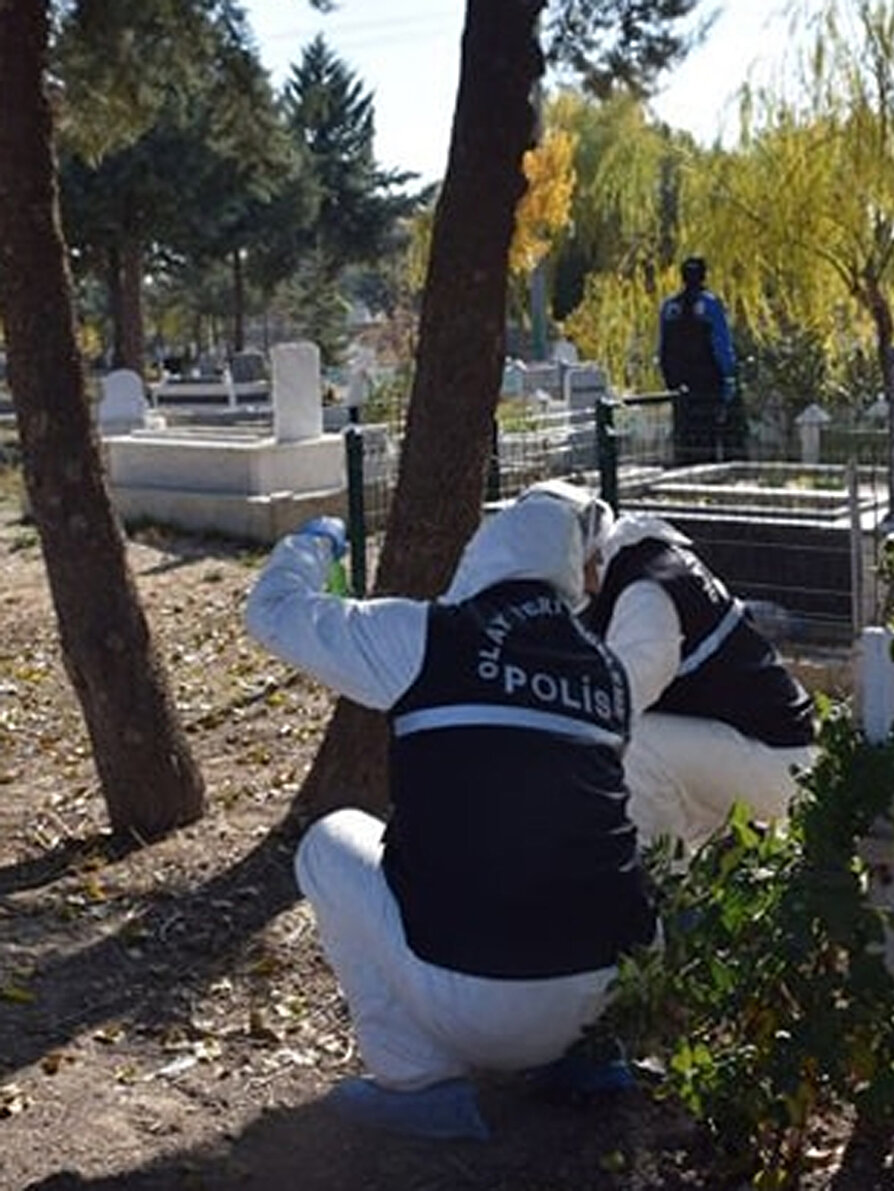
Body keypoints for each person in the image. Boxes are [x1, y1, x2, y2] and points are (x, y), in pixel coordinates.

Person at [244, 497, 657, 1140]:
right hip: (610, 995)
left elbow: (274, 614)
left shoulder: (429, 636)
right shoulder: (608, 673)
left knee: (328, 844)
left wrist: (313, 543)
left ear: (485, 556)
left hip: (479, 1007)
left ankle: (417, 1083)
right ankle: (587, 1059)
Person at [582, 509, 818, 852]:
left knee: (631, 750)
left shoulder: (644, 592)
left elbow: (621, 696)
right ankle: (715, 865)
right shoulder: (647, 559)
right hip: (766, 747)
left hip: (781, 763)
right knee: (649, 753)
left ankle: (655, 883)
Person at [657, 255, 739, 465]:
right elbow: (721, 344)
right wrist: (729, 376)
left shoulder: (669, 308)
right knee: (708, 436)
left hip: (679, 385)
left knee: (684, 434)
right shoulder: (711, 304)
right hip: (708, 382)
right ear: (703, 276)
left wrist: (669, 380)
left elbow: (662, 348)